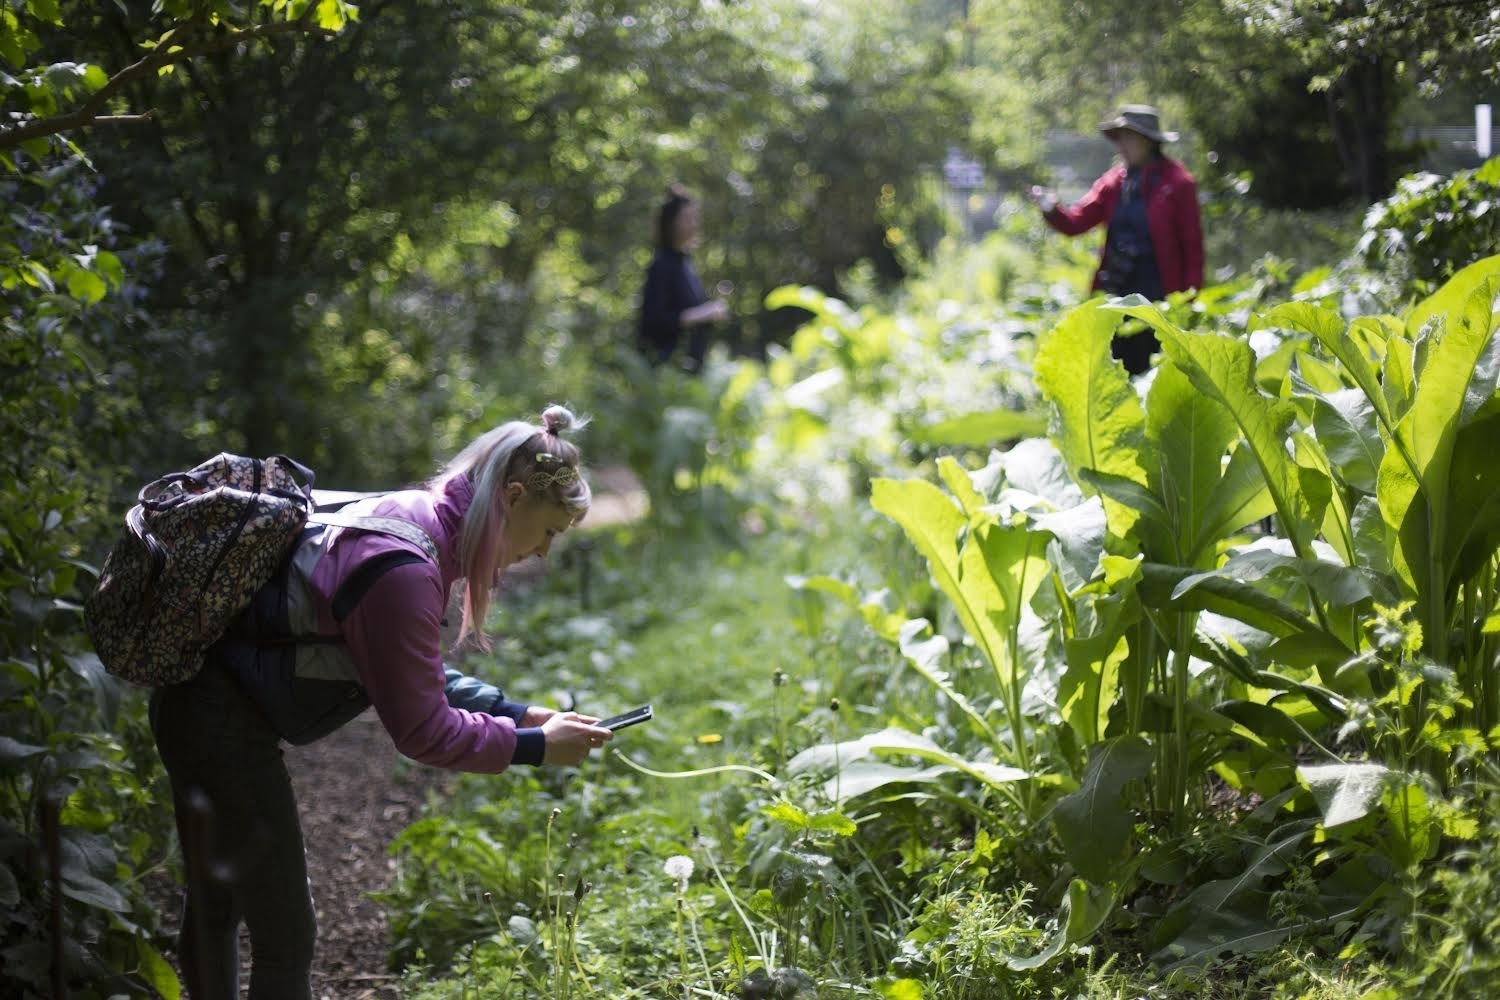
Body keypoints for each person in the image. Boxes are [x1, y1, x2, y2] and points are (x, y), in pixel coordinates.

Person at [149, 405, 614, 1000]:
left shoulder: (416, 519)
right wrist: (534, 748)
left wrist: (517, 713)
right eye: (548, 531)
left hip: (197, 702)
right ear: (514, 497)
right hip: (217, 725)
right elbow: (422, 728)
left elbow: (402, 666)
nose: (545, 551)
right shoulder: (407, 567)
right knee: (286, 937)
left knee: (218, 903)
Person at [1028, 104, 1204, 374]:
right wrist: (1051, 209)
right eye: (1120, 138)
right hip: (1116, 295)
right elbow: (1077, 222)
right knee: (1115, 372)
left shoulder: (1178, 183)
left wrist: (1188, 303)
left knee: (1154, 373)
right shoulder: (1113, 183)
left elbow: (1193, 248)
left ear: (1148, 142)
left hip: (1159, 299)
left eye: (1129, 138)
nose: (1122, 146)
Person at [637, 183, 730, 371]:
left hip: (688, 370)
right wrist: (705, 313)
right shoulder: (662, 265)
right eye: (688, 218)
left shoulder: (685, 262)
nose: (695, 224)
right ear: (671, 223)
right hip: (667, 372)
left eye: (696, 218)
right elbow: (654, 321)